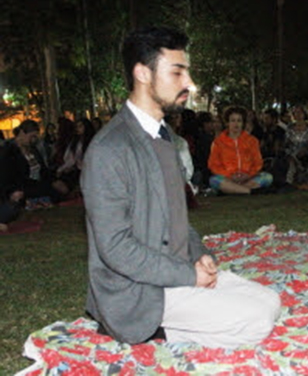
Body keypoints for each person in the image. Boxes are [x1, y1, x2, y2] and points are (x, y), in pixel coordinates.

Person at [80, 26, 280, 347]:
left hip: (177, 275)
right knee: (255, 322)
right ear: (143, 74)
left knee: (270, 302)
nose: (189, 83)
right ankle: (147, 331)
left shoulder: (167, 139)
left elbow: (177, 220)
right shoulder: (109, 149)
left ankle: (175, 323)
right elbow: (115, 248)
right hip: (141, 290)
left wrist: (199, 255)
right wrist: (188, 276)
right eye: (177, 72)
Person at [0, 120, 69, 205]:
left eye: (35, 137)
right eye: (31, 136)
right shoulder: (9, 152)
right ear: (22, 133)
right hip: (23, 188)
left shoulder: (33, 150)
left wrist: (54, 181)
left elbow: (43, 170)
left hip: (36, 185)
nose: (33, 140)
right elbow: (7, 177)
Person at [208, 106, 273, 195]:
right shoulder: (218, 142)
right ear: (227, 123)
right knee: (214, 180)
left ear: (243, 123)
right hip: (228, 178)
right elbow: (214, 165)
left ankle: (232, 190)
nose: (236, 124)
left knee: (267, 177)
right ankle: (249, 191)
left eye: (239, 120)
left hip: (248, 178)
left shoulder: (252, 141)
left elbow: (258, 163)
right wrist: (229, 175)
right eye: (233, 120)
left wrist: (248, 175)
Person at [56, 118, 95, 191]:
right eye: (77, 127)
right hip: (79, 170)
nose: (78, 129)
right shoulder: (75, 142)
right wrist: (61, 169)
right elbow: (71, 159)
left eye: (80, 126)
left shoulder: (92, 142)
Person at [284, 106, 308, 184]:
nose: (298, 114)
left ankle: (290, 178)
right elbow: (287, 142)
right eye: (296, 112)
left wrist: (303, 150)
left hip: (305, 151)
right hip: (292, 151)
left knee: (302, 151)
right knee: (291, 156)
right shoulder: (289, 128)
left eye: (300, 112)